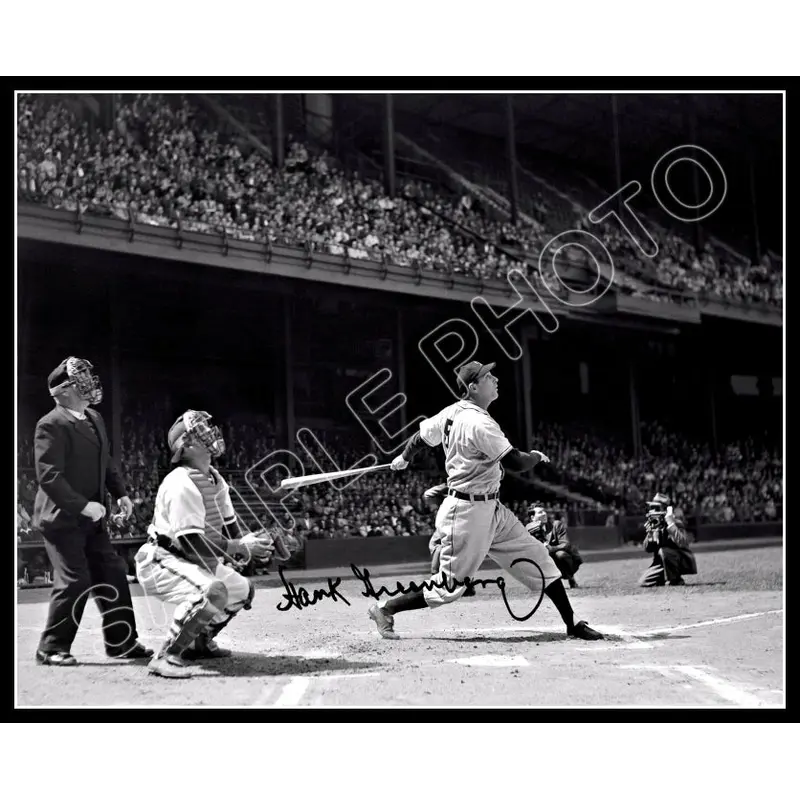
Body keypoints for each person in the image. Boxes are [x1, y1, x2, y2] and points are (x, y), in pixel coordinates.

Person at [368, 360, 603, 641]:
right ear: (473, 387)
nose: (495, 379)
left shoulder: (450, 413)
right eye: (487, 376)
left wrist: (404, 457)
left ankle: (572, 623)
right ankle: (386, 608)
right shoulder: (479, 422)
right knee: (449, 588)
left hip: (490, 508)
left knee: (540, 557)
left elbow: (420, 437)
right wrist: (536, 457)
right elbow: (516, 462)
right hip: (466, 513)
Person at [134, 410, 275, 678]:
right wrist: (241, 547)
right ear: (186, 445)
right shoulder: (181, 483)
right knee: (213, 591)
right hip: (162, 559)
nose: (211, 432)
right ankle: (166, 655)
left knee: (242, 590)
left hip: (190, 558)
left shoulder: (215, 479)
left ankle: (200, 641)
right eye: (200, 430)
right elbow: (191, 543)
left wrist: (252, 546)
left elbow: (231, 523)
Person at [32, 357, 152, 666]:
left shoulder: (94, 418)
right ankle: (51, 648)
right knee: (75, 580)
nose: (89, 381)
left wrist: (122, 494)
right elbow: (49, 477)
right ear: (63, 391)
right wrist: (84, 506)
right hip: (62, 519)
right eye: (80, 377)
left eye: (88, 374)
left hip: (92, 520)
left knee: (113, 574)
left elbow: (106, 462)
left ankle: (122, 643)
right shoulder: (51, 424)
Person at [424, 482, 475, 597]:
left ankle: (436, 579)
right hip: (465, 525)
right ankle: (467, 585)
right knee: (461, 552)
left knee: (437, 546)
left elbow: (428, 494)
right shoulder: (469, 494)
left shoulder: (448, 498)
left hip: (451, 525)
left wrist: (450, 484)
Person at [638, 492, 697, 587]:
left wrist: (670, 524)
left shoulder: (676, 523)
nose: (653, 510)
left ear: (665, 509)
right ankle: (667, 576)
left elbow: (683, 543)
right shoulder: (654, 523)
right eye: (652, 507)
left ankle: (676, 579)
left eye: (656, 508)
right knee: (643, 582)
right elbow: (647, 549)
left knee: (664, 551)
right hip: (662, 562)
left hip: (679, 560)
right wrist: (650, 534)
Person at [527, 505, 583, 588]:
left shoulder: (556, 525)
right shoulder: (529, 530)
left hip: (562, 558)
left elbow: (565, 544)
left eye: (544, 511)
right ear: (532, 517)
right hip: (544, 559)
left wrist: (550, 548)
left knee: (561, 555)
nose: (544, 514)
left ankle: (570, 577)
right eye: (540, 512)